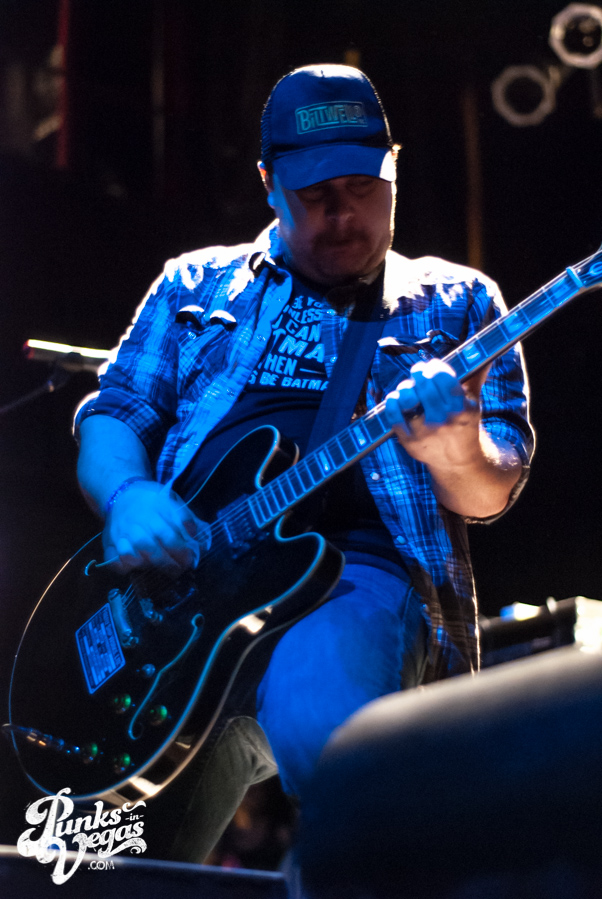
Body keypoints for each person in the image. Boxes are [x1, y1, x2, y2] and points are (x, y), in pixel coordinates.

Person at [75, 64, 534, 864]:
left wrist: (457, 447)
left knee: (330, 738)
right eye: (317, 194)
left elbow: (490, 492)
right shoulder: (194, 284)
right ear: (268, 182)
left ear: (394, 169)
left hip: (355, 576)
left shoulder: (457, 303)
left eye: (364, 187)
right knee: (103, 855)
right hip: (186, 600)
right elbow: (116, 411)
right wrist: (128, 495)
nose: (344, 215)